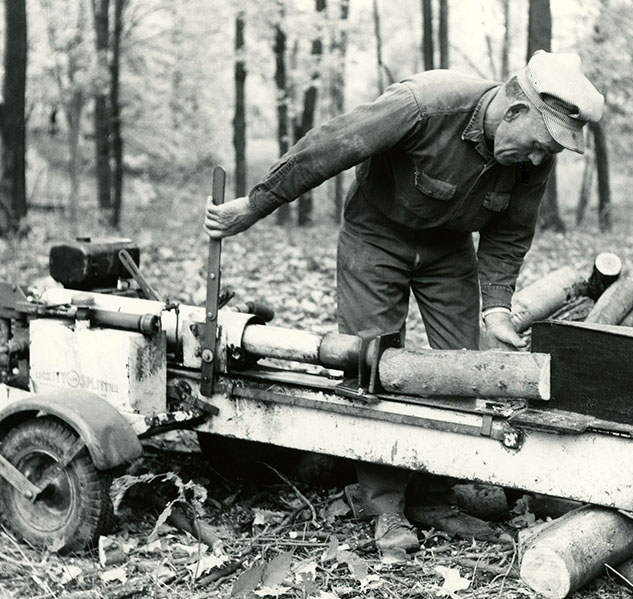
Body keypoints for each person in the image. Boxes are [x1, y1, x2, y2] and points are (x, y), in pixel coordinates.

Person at [205, 50, 604, 552]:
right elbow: (329, 147)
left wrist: (497, 306)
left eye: (551, 153)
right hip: (376, 236)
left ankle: (434, 497)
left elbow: (510, 233)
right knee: (370, 363)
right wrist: (255, 204)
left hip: (449, 249)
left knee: (462, 369)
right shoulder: (424, 105)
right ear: (517, 110)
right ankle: (384, 508)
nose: (540, 160)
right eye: (541, 145)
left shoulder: (529, 159)